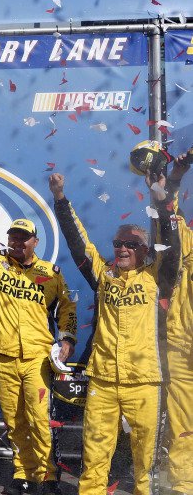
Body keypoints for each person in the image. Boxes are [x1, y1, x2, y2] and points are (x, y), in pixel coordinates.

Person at [49, 171, 178, 495]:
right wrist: (61, 199)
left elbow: (172, 248)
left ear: (145, 249)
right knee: (93, 463)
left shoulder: (156, 277)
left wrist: (162, 204)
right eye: (118, 243)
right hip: (103, 381)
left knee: (144, 468)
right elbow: (78, 243)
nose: (122, 248)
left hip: (145, 382)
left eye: (130, 244)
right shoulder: (103, 276)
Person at [0, 192, 76, 495]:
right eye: (13, 237)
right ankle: (23, 473)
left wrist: (67, 338)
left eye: (23, 238)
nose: (17, 242)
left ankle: (46, 475)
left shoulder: (50, 273)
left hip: (36, 355)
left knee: (37, 416)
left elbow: (67, 307)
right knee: (14, 419)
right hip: (2, 352)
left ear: (35, 241)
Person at [164, 146, 193, 493]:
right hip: (182, 345)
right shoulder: (185, 239)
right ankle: (184, 484)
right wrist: (177, 174)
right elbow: (166, 209)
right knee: (183, 421)